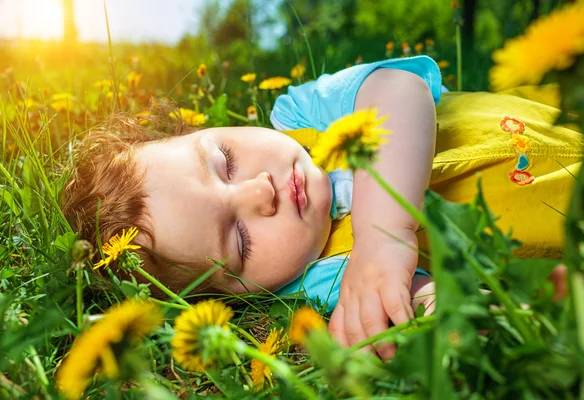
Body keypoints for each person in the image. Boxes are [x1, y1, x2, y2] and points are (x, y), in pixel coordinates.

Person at [62, 56, 581, 359]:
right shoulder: (325, 280)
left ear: (208, 130)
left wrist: (383, 240)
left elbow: (399, 91)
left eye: (225, 160)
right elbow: (420, 299)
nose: (259, 192)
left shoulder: (304, 113)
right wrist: (437, 316)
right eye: (238, 241)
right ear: (241, 294)